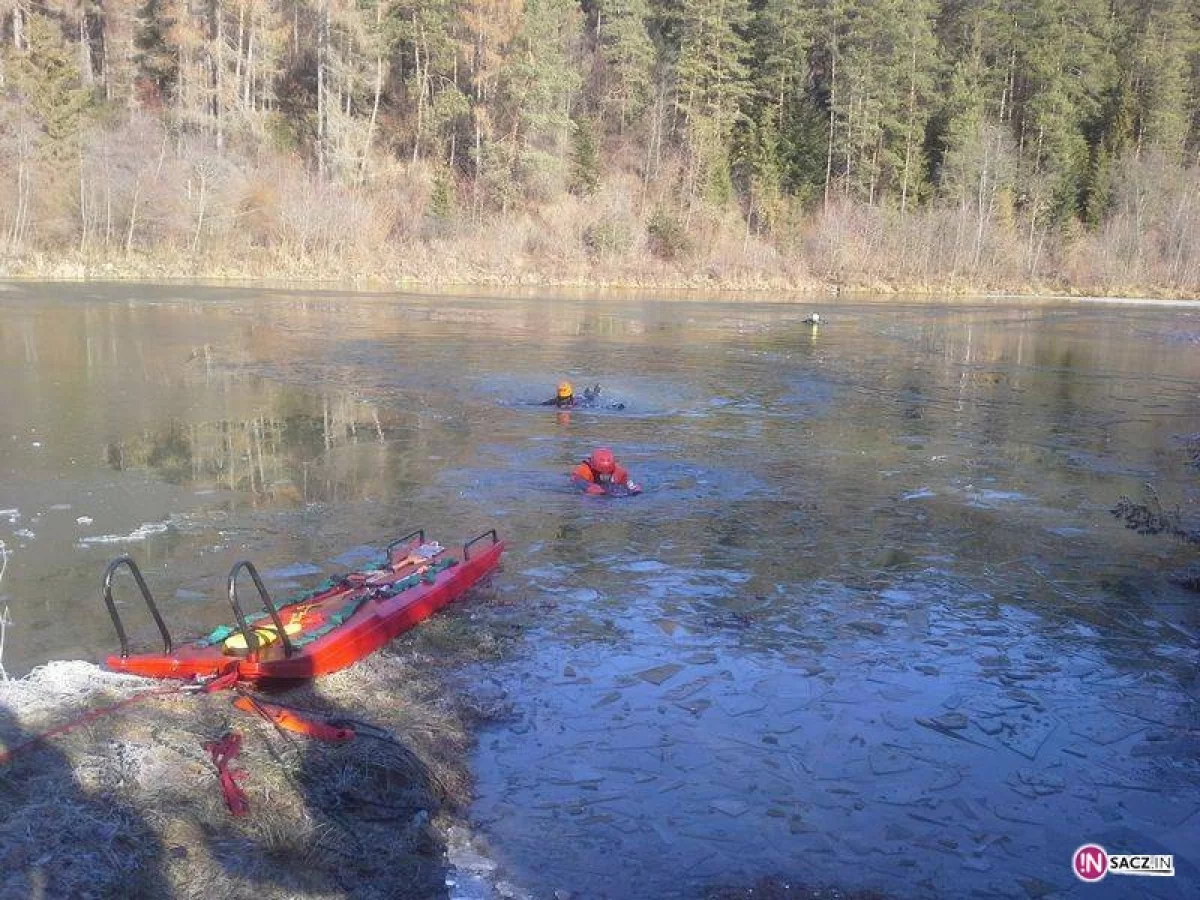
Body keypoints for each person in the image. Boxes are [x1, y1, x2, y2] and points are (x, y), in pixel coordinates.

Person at [571, 447, 640, 495]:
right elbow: (577, 481)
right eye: (600, 472)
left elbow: (633, 488)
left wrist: (634, 490)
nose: (604, 475)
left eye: (609, 472)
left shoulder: (620, 472)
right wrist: (590, 488)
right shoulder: (584, 471)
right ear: (591, 466)